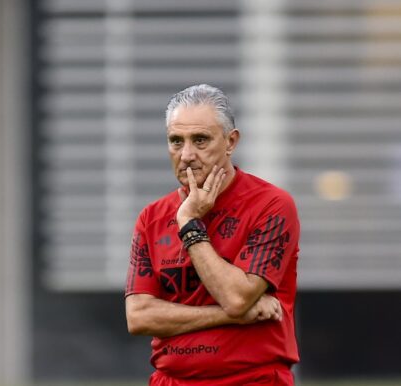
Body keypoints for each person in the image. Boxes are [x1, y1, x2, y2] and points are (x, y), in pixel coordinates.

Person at [125, 84, 300, 385]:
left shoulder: (271, 206)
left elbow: (236, 297)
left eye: (201, 140)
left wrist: (189, 222)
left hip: (251, 379)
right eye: (176, 141)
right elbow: (139, 317)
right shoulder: (151, 218)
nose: (187, 154)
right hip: (171, 380)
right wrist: (229, 316)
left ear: (231, 142)